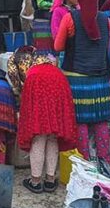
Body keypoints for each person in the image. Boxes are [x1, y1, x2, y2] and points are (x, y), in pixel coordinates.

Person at [54, 0, 110, 161]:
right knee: (101, 120)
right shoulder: (106, 20)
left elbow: (57, 47)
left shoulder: (70, 18)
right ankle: (104, 161)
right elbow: (107, 48)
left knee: (80, 121)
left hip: (76, 78)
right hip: (100, 78)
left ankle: (83, 162)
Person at [16, 62, 77, 194]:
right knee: (52, 139)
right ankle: (50, 180)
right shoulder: (58, 73)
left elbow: (26, 101)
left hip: (39, 107)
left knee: (38, 139)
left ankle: (35, 181)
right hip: (55, 104)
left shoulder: (32, 73)